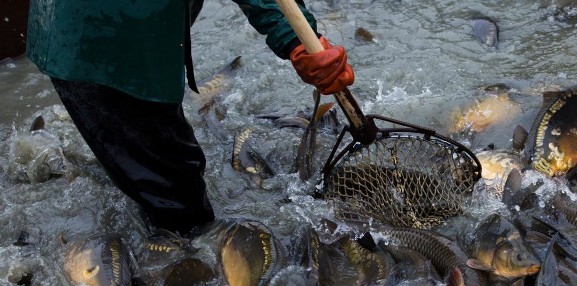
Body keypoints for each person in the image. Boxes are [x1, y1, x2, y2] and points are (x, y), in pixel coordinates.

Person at [25, 0, 354, 235]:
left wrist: (301, 41)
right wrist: (296, 40)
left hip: (129, 31)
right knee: (179, 204)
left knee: (150, 169)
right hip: (100, 43)